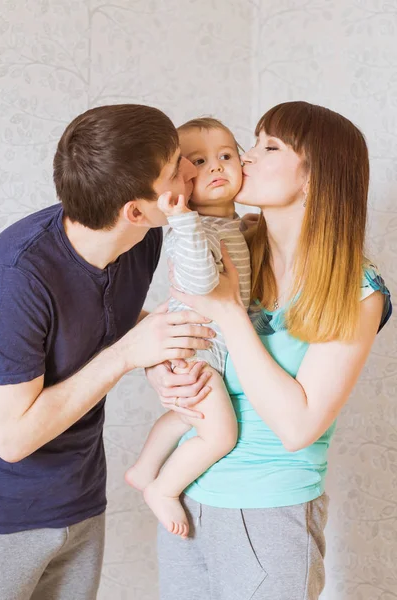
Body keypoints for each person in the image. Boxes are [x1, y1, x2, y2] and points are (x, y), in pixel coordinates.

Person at [147, 101, 392, 600]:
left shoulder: (356, 290)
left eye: (270, 146)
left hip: (268, 515)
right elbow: (166, 326)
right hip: (187, 499)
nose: (246, 156)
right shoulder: (228, 246)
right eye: (253, 141)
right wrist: (160, 371)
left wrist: (230, 314)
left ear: (315, 176)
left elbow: (298, 426)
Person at [0, 104, 215, 600]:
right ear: (134, 210)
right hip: (7, 517)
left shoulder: (144, 238)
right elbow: (11, 438)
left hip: (81, 498)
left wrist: (155, 358)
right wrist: (127, 356)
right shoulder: (18, 278)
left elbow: (100, 323)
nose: (191, 171)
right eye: (176, 166)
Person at [126, 118, 251, 539]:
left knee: (184, 415)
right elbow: (199, 283)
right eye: (199, 161)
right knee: (219, 435)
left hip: (204, 342)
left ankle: (144, 469)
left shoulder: (230, 224)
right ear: (180, 182)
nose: (215, 167)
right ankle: (163, 488)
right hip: (195, 344)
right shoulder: (189, 230)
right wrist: (182, 221)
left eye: (226, 156)